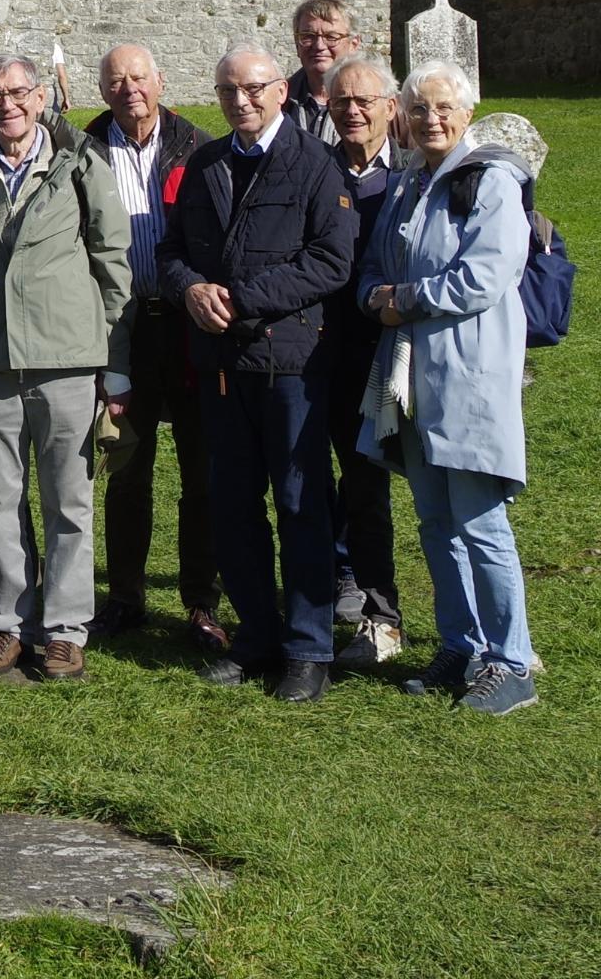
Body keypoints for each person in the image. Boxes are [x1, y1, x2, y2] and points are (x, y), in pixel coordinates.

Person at [0, 55, 134, 681]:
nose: (7, 104)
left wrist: (111, 362)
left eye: (18, 93)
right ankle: (7, 626)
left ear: (41, 98)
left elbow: (111, 258)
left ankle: (66, 630)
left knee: (70, 501)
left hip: (68, 363)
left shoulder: (81, 161)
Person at [161, 45, 356, 702]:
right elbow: (172, 250)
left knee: (302, 506)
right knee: (234, 508)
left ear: (280, 92)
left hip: (291, 364)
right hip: (221, 368)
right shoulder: (206, 165)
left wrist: (241, 299)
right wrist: (190, 289)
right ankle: (256, 639)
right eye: (227, 91)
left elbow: (331, 260)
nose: (239, 101)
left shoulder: (313, 163)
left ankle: (308, 650)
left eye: (252, 89)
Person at [358, 60, 538, 715]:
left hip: (470, 378)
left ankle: (511, 661)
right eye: (419, 108)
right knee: (436, 522)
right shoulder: (410, 184)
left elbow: (484, 276)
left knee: (481, 523)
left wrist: (401, 300)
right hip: (415, 381)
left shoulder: (490, 181)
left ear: (467, 113)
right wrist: (373, 293)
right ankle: (461, 647)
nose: (431, 119)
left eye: (444, 108)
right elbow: (376, 262)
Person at [80, 45, 218, 649]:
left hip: (188, 326)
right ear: (103, 89)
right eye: (116, 80)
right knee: (127, 468)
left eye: (139, 77)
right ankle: (126, 596)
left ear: (161, 81)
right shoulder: (82, 151)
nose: (129, 88)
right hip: (121, 326)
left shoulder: (198, 145)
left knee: (201, 468)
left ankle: (200, 601)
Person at [322, 54, 405, 670]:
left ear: (389, 108)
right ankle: (340, 597)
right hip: (322, 353)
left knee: (383, 490)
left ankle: (386, 617)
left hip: (393, 353)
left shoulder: (413, 176)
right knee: (327, 485)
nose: (353, 111)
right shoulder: (313, 169)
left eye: (365, 102)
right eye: (342, 102)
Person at [285, 0, 360, 144]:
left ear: (354, 45)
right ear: (297, 45)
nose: (319, 45)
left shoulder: (379, 104)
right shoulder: (277, 101)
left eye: (331, 37)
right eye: (308, 36)